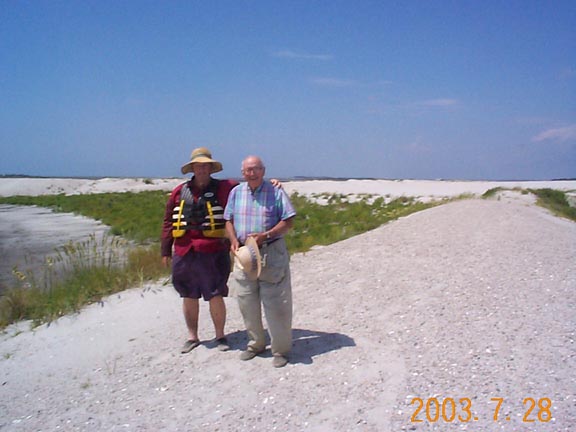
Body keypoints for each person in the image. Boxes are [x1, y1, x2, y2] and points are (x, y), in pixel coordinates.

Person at [161, 147, 237, 353]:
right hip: (184, 251)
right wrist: (165, 249)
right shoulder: (179, 191)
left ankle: (220, 336)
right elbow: (168, 220)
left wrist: (273, 184)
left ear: (211, 168)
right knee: (188, 294)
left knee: (215, 294)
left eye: (205, 166)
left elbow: (251, 190)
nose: (202, 169)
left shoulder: (227, 187)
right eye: (198, 166)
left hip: (213, 250)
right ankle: (193, 336)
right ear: (192, 168)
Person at [224, 155, 296, 368]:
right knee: (247, 302)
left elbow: (289, 220)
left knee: (276, 304)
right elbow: (227, 219)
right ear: (242, 172)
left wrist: (267, 234)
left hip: (271, 253)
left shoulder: (275, 191)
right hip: (244, 255)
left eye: (256, 169)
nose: (252, 173)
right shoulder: (236, 192)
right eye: (248, 170)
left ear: (263, 171)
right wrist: (233, 239)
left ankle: (280, 350)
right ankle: (256, 344)